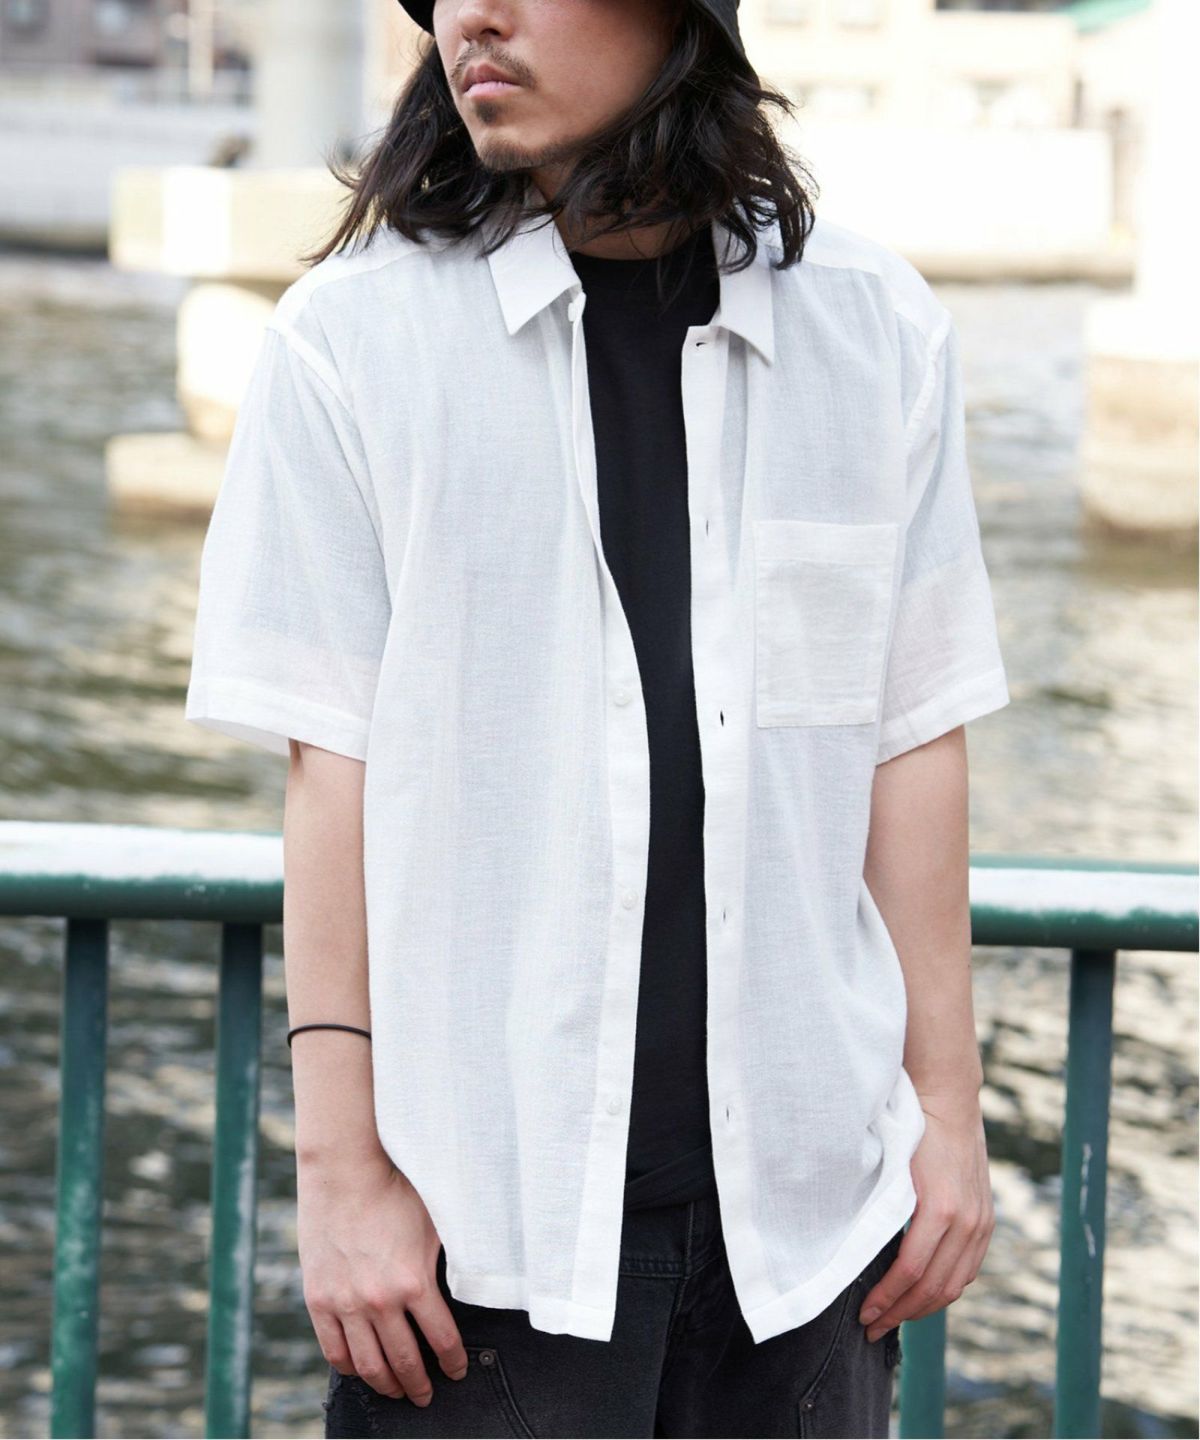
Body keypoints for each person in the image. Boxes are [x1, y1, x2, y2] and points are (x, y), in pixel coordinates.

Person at [184, 0, 1012, 1434]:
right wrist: (340, 1176)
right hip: (483, 1250)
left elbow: (910, 734)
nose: (473, 18)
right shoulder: (352, 341)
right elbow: (331, 773)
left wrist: (947, 1114)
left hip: (810, 1233)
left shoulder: (873, 329)